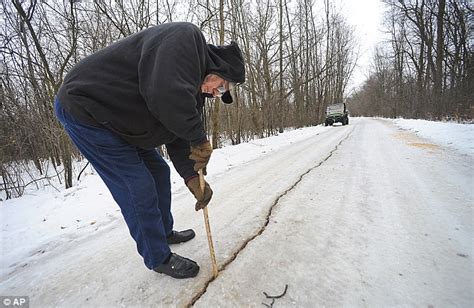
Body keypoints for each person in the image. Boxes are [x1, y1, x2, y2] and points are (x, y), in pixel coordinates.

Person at [54, 22, 245, 279]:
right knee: (137, 184)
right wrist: (200, 138)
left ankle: (164, 233)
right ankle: (158, 257)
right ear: (219, 68)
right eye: (222, 86)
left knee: (157, 170)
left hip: (120, 122)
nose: (217, 93)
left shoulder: (192, 92)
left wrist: (192, 177)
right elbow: (165, 97)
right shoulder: (186, 39)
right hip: (86, 109)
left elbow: (178, 134)